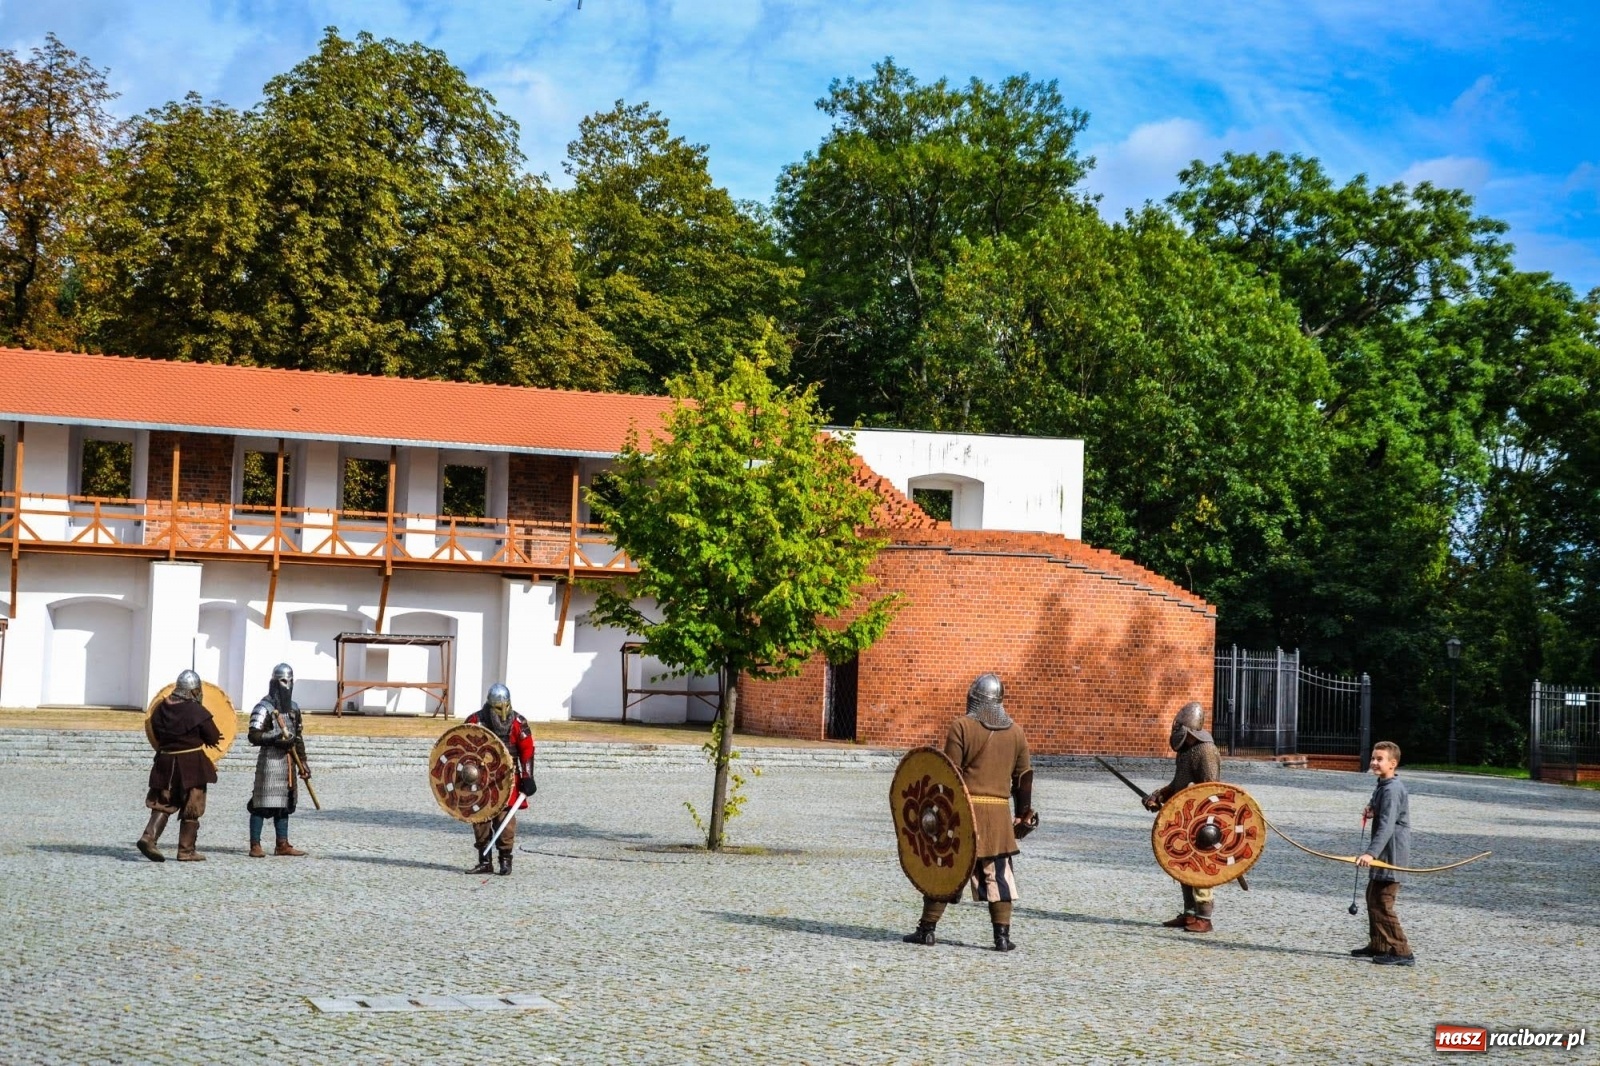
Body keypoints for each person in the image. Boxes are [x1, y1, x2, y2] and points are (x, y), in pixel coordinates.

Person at [903, 673, 1035, 952]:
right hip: (999, 816)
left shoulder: (962, 726)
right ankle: (1001, 938)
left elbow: (949, 773)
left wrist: (937, 814)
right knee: (998, 874)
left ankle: (927, 930)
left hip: (963, 813)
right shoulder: (1016, 733)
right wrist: (1023, 814)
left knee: (947, 868)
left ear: (974, 699)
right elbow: (1023, 778)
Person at [1143, 701, 1223, 932]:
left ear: (1187, 730)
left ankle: (1204, 919)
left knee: (1199, 867)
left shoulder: (1205, 751)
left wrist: (1187, 808)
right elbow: (1179, 785)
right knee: (1183, 865)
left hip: (1203, 821)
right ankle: (1190, 914)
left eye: (1179, 727)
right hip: (1186, 818)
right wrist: (1159, 796)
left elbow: (1209, 790)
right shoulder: (1187, 752)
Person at [138, 669, 222, 862]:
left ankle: (149, 837)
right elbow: (213, 736)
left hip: (165, 763)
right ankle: (186, 851)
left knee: (164, 802)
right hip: (192, 765)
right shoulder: (196, 711)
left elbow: (156, 734)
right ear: (194, 691)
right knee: (193, 804)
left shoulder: (160, 708)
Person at [464, 683, 536, 876]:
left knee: (505, 819)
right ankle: (484, 861)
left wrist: (528, 777)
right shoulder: (475, 721)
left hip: (507, 778)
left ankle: (505, 860)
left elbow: (527, 750)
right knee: (480, 818)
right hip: (480, 779)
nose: (503, 711)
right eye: (498, 706)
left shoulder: (518, 723)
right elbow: (464, 747)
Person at [1354, 740, 1414, 966]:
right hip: (1383, 854)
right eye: (1373, 758)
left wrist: (1370, 853)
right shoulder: (1384, 785)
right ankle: (1379, 944)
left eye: (1380, 759)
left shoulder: (1393, 790)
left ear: (1393, 763)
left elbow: (1388, 826)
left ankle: (1401, 951)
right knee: (1372, 897)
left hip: (1391, 855)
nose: (1374, 762)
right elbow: (1378, 798)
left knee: (1382, 901)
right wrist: (1371, 807)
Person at [246, 663, 312, 857]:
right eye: (283, 681)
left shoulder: (294, 708)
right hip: (270, 761)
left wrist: (304, 762)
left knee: (285, 803)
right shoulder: (263, 707)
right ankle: (255, 845)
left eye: (290, 681)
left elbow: (297, 737)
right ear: (274, 682)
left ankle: (282, 844)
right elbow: (253, 735)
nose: (287, 684)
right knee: (262, 802)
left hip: (290, 761)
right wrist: (274, 739)